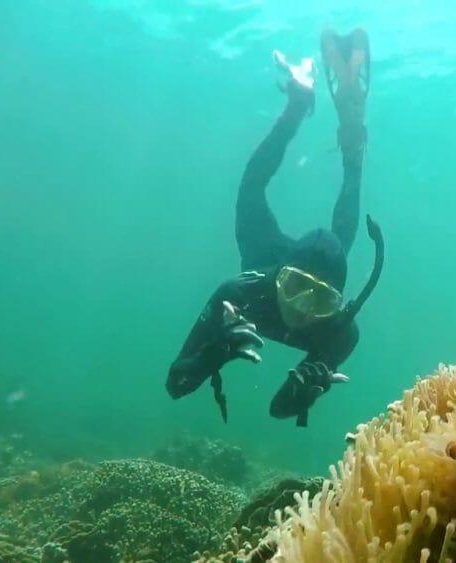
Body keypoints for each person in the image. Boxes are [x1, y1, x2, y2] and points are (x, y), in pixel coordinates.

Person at [166, 28, 383, 427]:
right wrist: (214, 352)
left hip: (298, 264)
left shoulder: (339, 332)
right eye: (296, 288)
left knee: (339, 237)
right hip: (264, 253)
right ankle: (306, 113)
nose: (301, 309)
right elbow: (176, 383)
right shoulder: (239, 294)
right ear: (279, 279)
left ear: (335, 302)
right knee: (254, 189)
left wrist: (309, 386)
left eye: (319, 299)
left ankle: (347, 139)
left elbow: (279, 409)